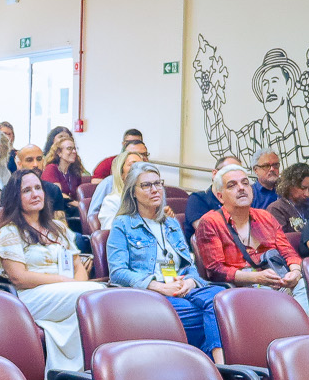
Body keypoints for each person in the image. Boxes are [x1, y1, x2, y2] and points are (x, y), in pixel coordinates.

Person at [0, 169, 102, 372]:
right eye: (26, 190)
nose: (35, 194)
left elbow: (78, 267)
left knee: (89, 299)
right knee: (94, 296)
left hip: (69, 293)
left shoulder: (59, 228)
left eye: (38, 188)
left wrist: (76, 284)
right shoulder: (10, 232)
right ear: (16, 197)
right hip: (30, 298)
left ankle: (76, 377)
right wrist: (66, 282)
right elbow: (19, 277)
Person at [105, 163, 225, 352]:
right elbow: (118, 272)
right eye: (146, 185)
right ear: (133, 193)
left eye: (157, 183)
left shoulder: (171, 223)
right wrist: (158, 286)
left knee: (221, 298)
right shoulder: (123, 224)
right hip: (150, 292)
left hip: (180, 287)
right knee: (209, 315)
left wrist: (191, 281)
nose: (154, 190)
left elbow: (189, 265)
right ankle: (216, 365)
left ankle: (216, 365)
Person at [194, 163, 303, 297]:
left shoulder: (265, 217)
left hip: (275, 278)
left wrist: (295, 272)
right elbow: (216, 270)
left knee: (303, 285)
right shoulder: (210, 222)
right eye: (232, 185)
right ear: (220, 197)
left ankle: (297, 318)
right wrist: (256, 277)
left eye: (245, 183)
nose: (241, 188)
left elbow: (288, 251)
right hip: (240, 288)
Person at [90, 145, 150, 233]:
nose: (138, 169)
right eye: (132, 164)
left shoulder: (149, 199)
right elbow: (113, 236)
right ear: (121, 172)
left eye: (141, 165)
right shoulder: (112, 201)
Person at [182, 156, 244, 233]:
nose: (234, 178)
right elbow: (205, 230)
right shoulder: (197, 199)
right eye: (230, 172)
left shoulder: (239, 202)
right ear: (215, 174)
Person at [268, 162, 309, 232]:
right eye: (302, 188)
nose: (307, 194)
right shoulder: (276, 209)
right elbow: (281, 239)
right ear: (289, 185)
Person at [42, 130, 87, 200]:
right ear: (59, 152)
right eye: (69, 149)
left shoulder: (73, 171)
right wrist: (78, 205)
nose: (74, 152)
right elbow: (57, 195)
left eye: (75, 149)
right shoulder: (51, 168)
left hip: (72, 208)